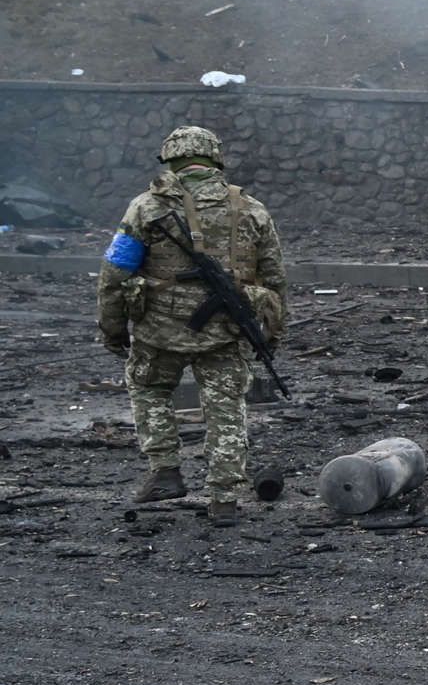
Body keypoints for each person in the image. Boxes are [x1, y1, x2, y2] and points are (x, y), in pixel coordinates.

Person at [97, 125, 287, 524]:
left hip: (158, 330)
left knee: (149, 388)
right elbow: (273, 279)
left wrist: (113, 331)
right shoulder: (251, 208)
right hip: (225, 330)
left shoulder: (145, 208)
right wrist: (271, 333)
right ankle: (224, 498)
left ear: (171, 158)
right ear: (215, 158)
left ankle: (165, 470)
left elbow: (114, 274)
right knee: (226, 410)